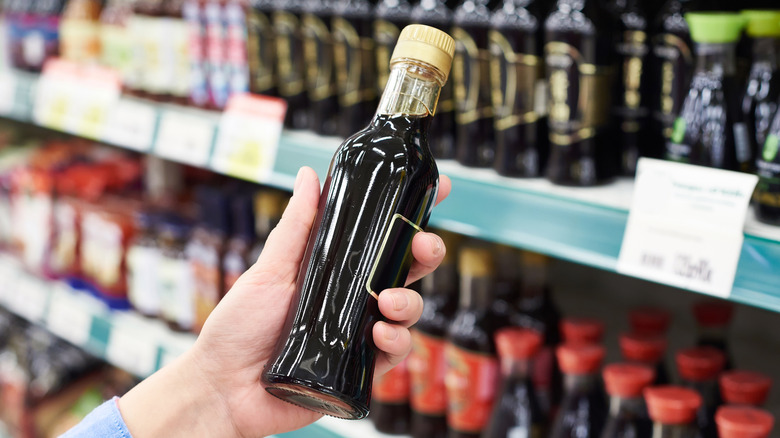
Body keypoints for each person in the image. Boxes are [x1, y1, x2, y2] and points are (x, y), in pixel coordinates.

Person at [63, 167, 453, 437]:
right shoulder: (361, 150)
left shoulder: (417, 168)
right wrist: (214, 386)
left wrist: (215, 392)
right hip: (275, 370)